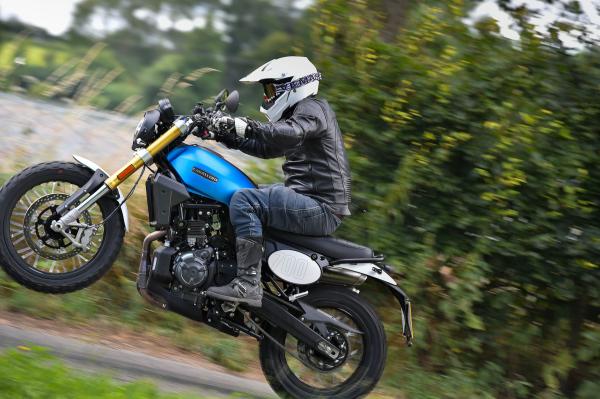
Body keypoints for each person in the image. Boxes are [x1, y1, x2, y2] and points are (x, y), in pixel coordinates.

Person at [205, 56, 351, 307]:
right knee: (240, 193)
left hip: (320, 207)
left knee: (244, 200)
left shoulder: (313, 110)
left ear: (293, 86)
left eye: (271, 89)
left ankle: (248, 283)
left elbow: (288, 132)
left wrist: (246, 125)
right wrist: (225, 135)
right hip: (311, 202)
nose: (267, 97)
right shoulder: (301, 116)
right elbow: (266, 148)